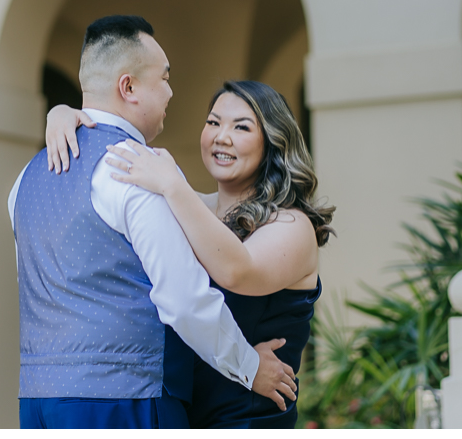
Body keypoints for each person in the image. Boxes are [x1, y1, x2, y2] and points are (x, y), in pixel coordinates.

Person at [8, 15, 297, 429]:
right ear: (128, 88)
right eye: (164, 78)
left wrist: (60, 111)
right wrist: (250, 367)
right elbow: (182, 298)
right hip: (125, 399)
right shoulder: (135, 170)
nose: (171, 91)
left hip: (37, 400)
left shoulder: (26, 178)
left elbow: (38, 287)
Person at [47, 77, 334, 429]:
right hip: (180, 412)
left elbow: (236, 271)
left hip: (248, 416)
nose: (221, 136)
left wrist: (171, 184)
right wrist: (63, 115)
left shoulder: (292, 224)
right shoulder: (192, 207)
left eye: (241, 127)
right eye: (213, 122)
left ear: (272, 142)